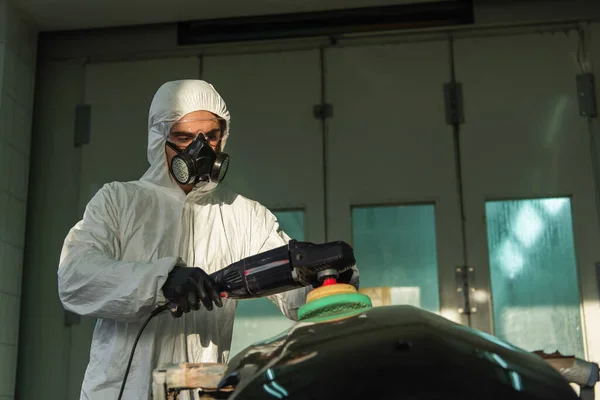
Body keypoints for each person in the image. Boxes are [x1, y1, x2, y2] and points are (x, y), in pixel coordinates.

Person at [57, 79, 359, 400]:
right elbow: (75, 278)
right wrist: (161, 281)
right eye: (184, 138)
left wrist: (326, 279)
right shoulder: (118, 202)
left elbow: (294, 291)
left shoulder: (244, 215)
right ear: (160, 138)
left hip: (200, 390)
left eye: (211, 137)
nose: (199, 151)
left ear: (222, 138)